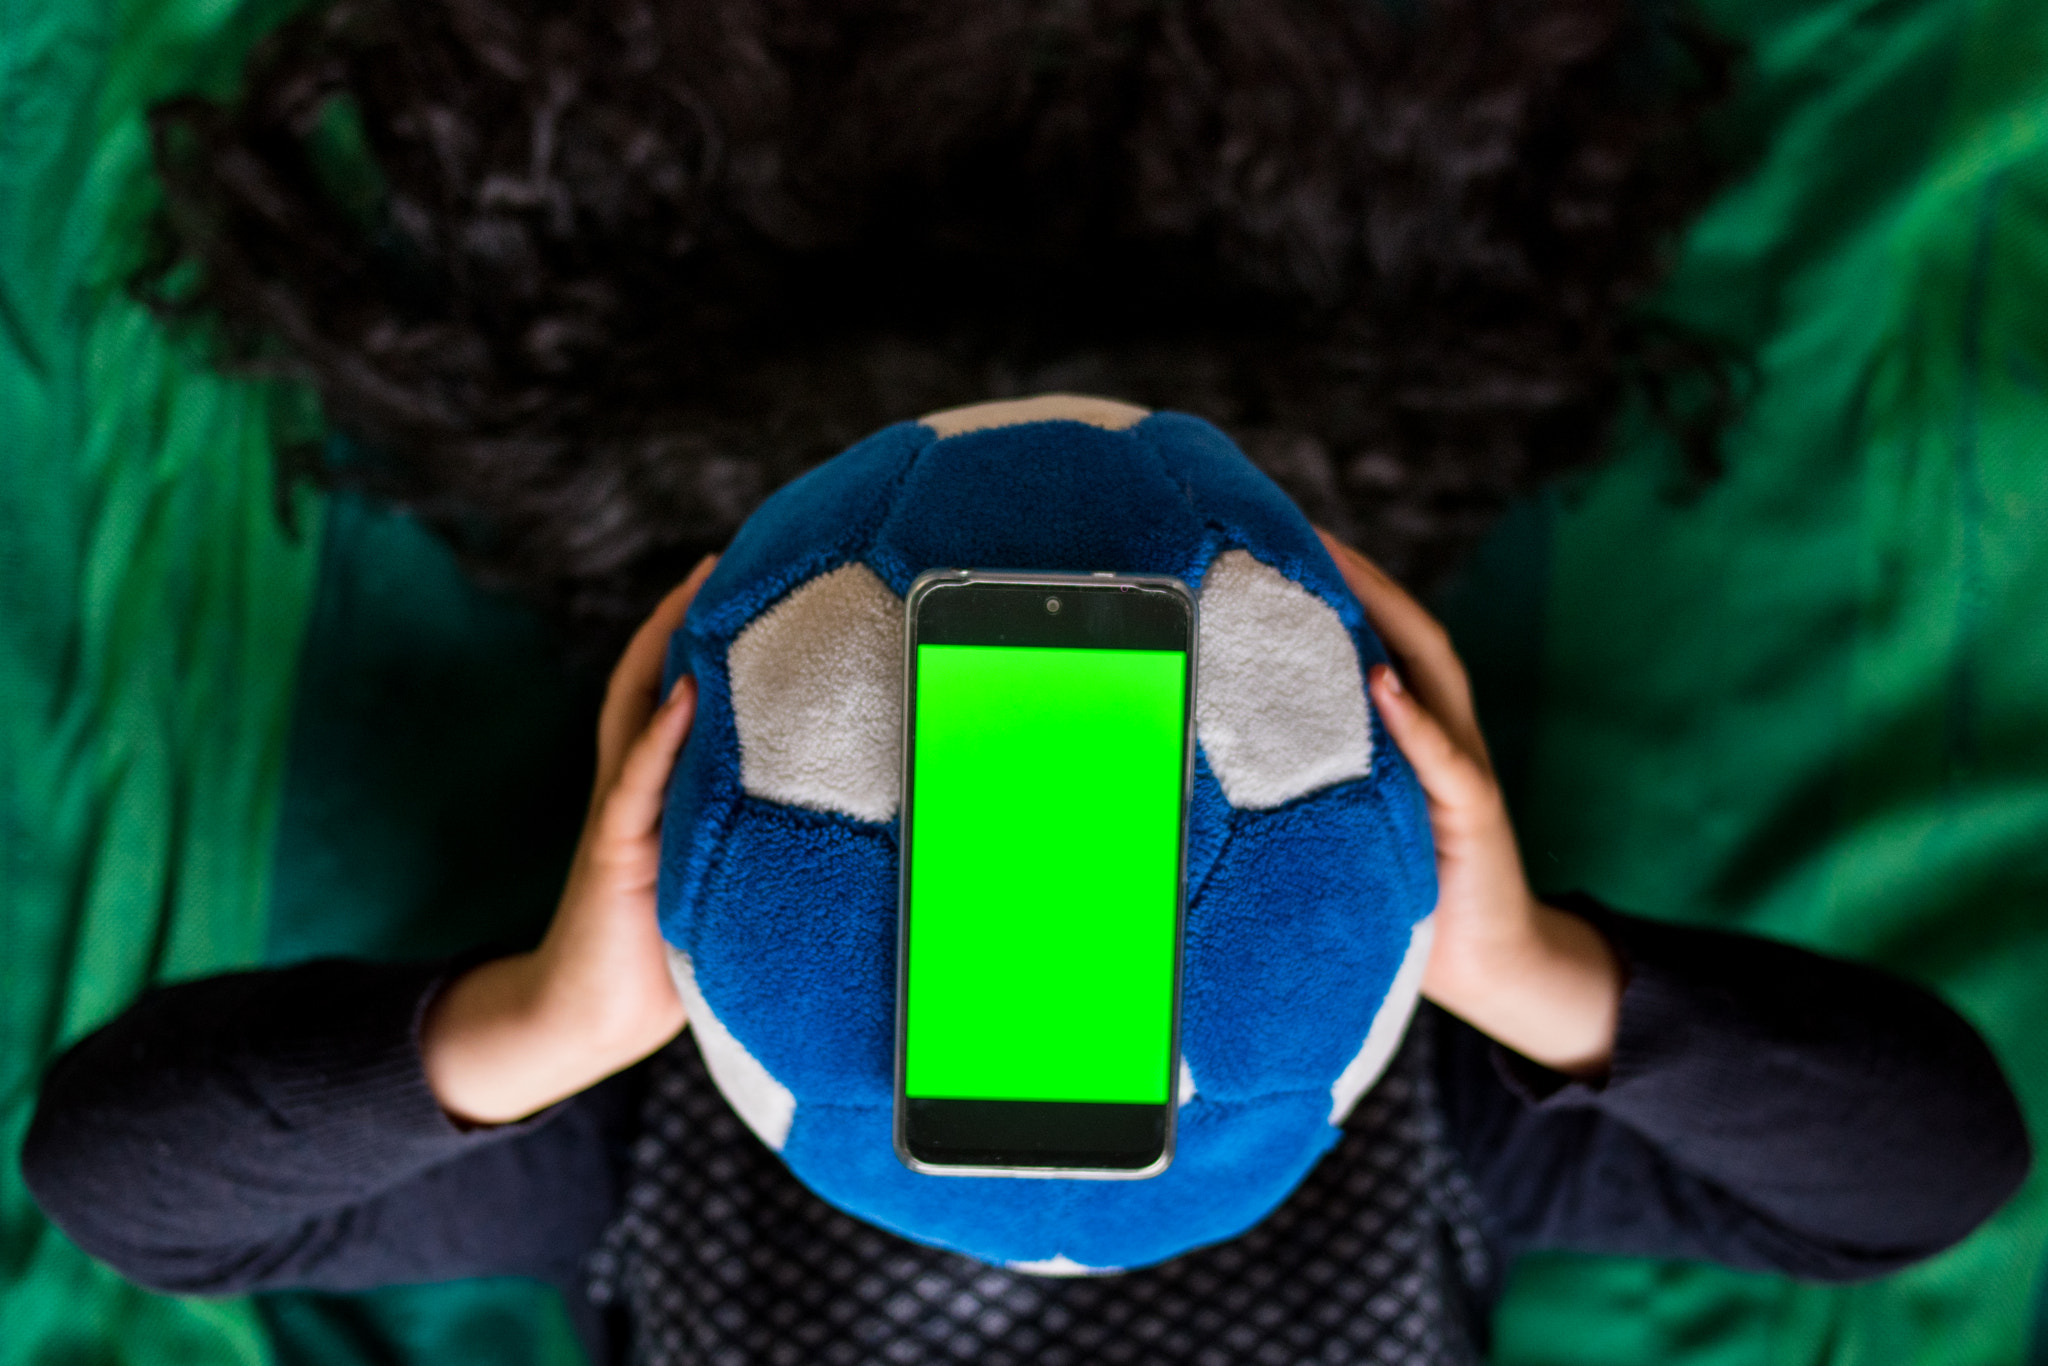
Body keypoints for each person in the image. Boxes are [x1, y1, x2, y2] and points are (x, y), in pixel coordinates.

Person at [23, 460, 2030, 1364]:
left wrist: (542, 1031)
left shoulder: (664, 1137)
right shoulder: (1424, 1102)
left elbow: (129, 1181)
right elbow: (1921, 1169)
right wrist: (1533, 984)